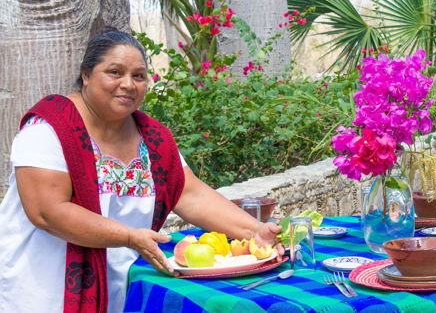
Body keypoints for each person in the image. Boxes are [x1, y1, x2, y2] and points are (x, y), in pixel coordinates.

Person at [0, 27, 284, 313]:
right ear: (86, 75)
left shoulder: (153, 138)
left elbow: (191, 195)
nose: (128, 84)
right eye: (115, 72)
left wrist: (255, 232)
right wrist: (129, 237)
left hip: (123, 288)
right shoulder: (48, 131)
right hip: (41, 292)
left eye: (138, 76)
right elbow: (48, 212)